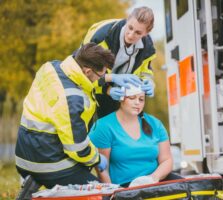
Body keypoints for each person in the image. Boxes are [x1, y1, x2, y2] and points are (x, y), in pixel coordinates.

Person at [15, 43, 142, 189]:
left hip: (25, 153)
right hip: (48, 163)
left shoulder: (52, 67)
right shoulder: (71, 99)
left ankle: (36, 183)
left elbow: (83, 81)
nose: (101, 78)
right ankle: (44, 182)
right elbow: (77, 148)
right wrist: (97, 159)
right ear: (87, 71)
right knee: (101, 194)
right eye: (101, 75)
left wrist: (108, 80)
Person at [89, 84, 181, 187]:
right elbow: (102, 170)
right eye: (132, 98)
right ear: (120, 98)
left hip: (154, 182)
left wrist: (153, 178)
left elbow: (166, 160)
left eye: (141, 99)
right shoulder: (104, 126)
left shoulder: (155, 124)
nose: (137, 103)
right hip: (124, 187)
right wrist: (112, 192)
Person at [82, 6, 156, 118]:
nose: (131, 35)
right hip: (92, 91)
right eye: (130, 28)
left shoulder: (148, 48)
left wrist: (149, 82)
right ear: (127, 20)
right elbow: (86, 74)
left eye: (138, 33)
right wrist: (108, 89)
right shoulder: (101, 39)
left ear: (146, 33)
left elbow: (145, 72)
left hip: (124, 96)